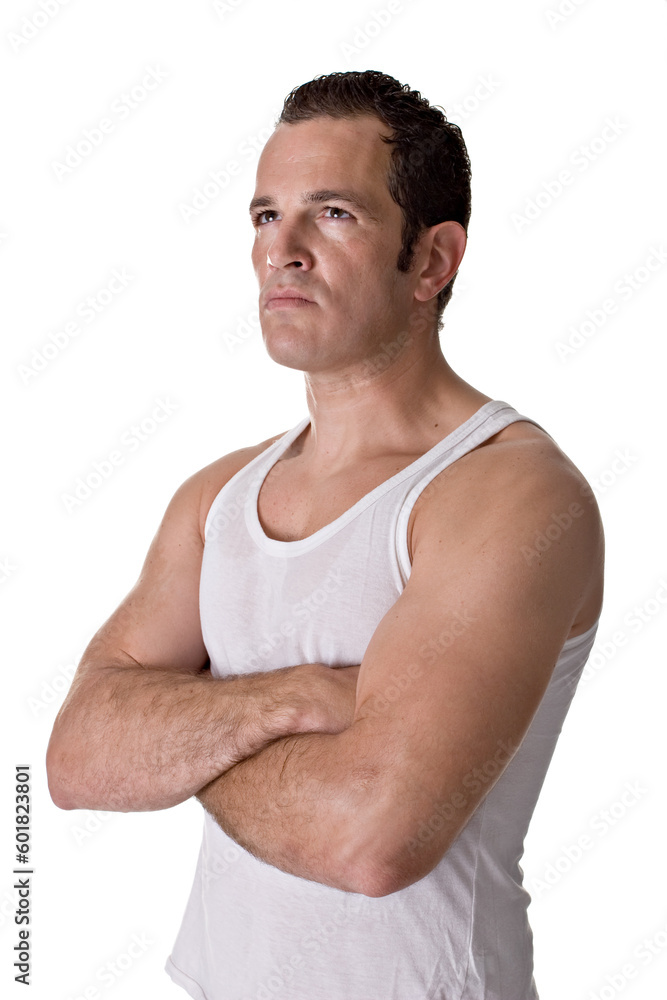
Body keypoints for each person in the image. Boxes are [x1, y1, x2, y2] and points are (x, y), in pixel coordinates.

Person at [46, 69, 604, 999]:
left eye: (333, 214)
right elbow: (76, 758)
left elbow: (370, 838)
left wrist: (174, 746)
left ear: (432, 261)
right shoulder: (217, 497)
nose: (283, 251)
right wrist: (301, 697)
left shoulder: (509, 494)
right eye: (266, 216)